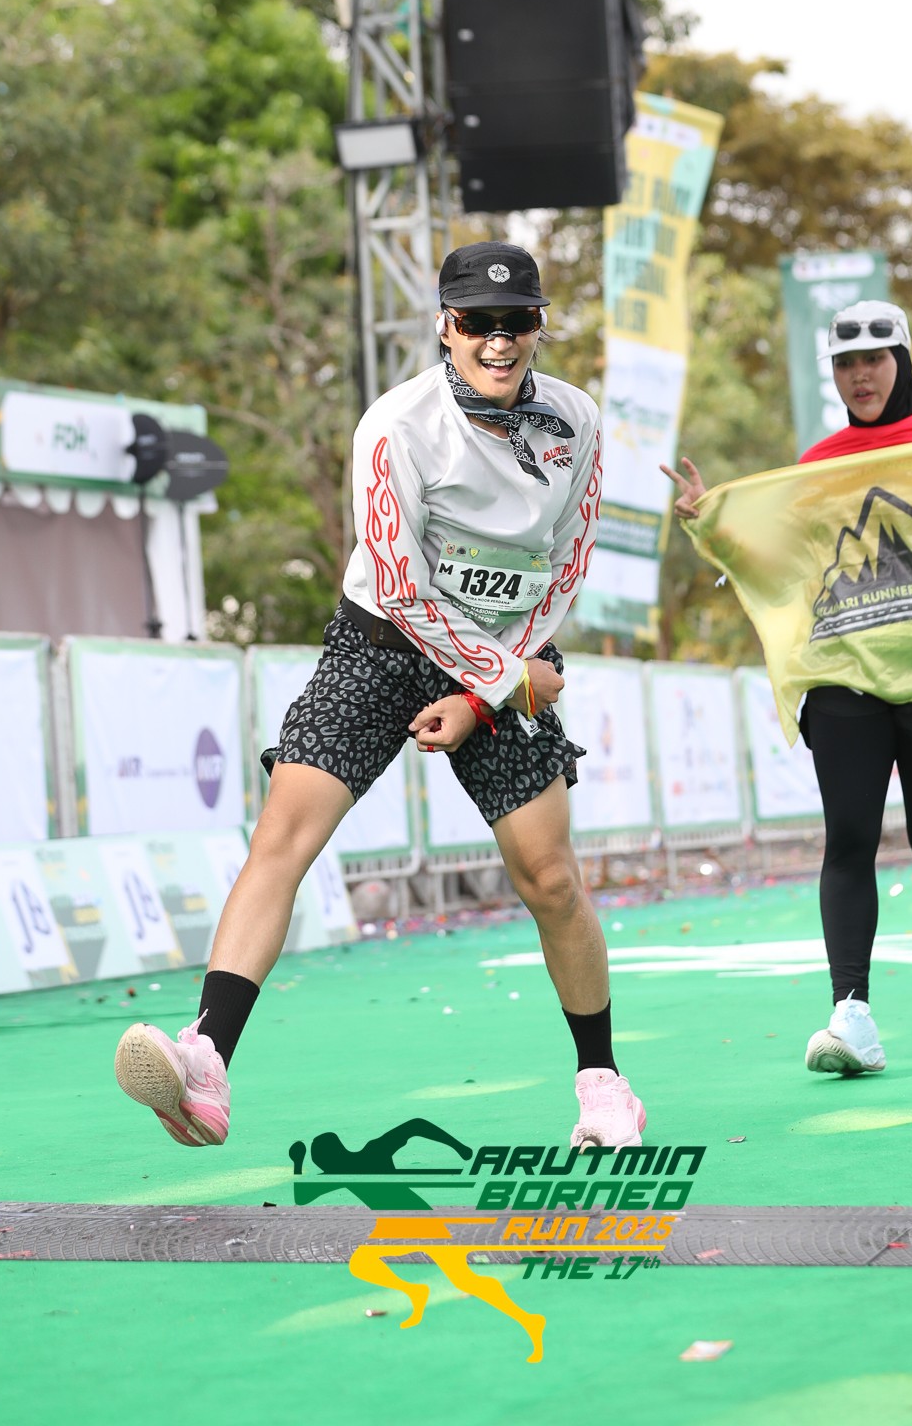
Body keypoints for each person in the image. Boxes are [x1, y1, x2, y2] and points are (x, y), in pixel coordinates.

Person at [115, 241, 646, 1148]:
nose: (498, 339)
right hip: (382, 643)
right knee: (284, 834)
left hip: (508, 647)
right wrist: (498, 682)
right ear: (445, 325)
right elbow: (401, 588)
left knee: (550, 877)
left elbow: (567, 566)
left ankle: (604, 1086)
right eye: (477, 321)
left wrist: (485, 694)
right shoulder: (396, 424)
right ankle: (205, 1062)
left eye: (517, 321)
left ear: (538, 326)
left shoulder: (578, 420)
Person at [662, 299, 912, 1077]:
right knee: (848, 840)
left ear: (902, 362)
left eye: (875, 358)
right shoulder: (820, 464)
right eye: (845, 363)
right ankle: (852, 1013)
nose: (861, 375)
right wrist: (716, 525)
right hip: (844, 675)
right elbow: (784, 565)